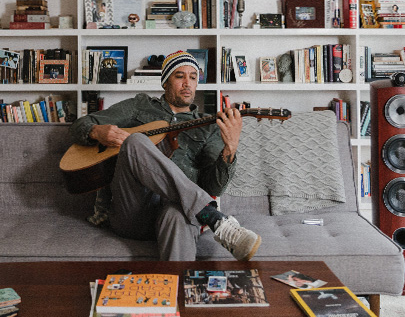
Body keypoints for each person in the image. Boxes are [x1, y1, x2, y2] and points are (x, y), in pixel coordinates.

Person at [69, 50, 261, 261]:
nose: (187, 83)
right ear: (165, 82)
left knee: (177, 215)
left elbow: (214, 187)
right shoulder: (139, 106)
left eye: (193, 77)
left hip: (178, 211)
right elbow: (80, 125)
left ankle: (178, 290)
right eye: (180, 76)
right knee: (135, 140)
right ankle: (215, 219)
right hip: (133, 211)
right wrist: (96, 131)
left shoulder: (209, 126)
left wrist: (230, 148)